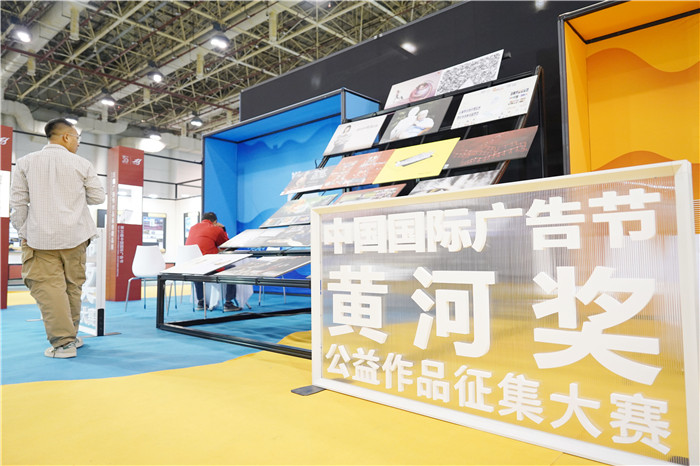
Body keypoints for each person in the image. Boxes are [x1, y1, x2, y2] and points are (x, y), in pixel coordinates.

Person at [10, 118, 106, 359]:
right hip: (77, 237)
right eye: (77, 138)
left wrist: (23, 232)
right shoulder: (82, 164)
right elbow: (97, 198)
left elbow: (18, 204)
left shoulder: (25, 162)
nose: (78, 143)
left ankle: (64, 343)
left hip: (39, 240)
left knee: (49, 290)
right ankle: (70, 337)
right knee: (73, 287)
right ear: (65, 137)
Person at [185, 212, 241, 311]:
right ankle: (228, 303)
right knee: (232, 269)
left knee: (197, 270)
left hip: (192, 267)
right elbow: (226, 245)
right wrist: (223, 229)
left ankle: (201, 302)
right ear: (215, 222)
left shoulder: (192, 228)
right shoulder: (216, 229)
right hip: (209, 266)